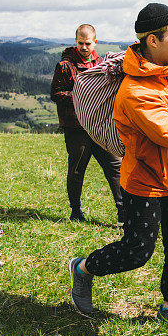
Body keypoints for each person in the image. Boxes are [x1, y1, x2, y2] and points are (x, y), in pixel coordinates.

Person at [69, 3, 168, 336]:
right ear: (152, 40)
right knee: (137, 252)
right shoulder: (135, 92)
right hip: (145, 184)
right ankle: (83, 267)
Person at [50, 24, 124, 224]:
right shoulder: (65, 66)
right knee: (76, 170)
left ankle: (123, 213)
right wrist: (81, 97)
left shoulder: (102, 63)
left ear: (95, 42)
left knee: (115, 167)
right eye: (80, 43)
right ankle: (76, 212)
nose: (84, 47)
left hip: (100, 127)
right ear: (75, 41)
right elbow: (55, 94)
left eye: (88, 43)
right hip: (76, 128)